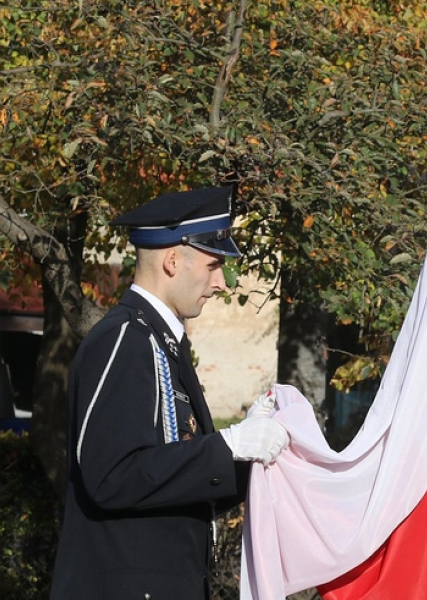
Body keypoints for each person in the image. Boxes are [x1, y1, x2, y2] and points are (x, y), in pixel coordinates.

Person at [50, 186, 290, 599]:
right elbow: (111, 476)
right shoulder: (126, 340)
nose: (220, 283)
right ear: (173, 260)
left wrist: (243, 457)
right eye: (213, 265)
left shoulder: (160, 342)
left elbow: (172, 481)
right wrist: (225, 446)